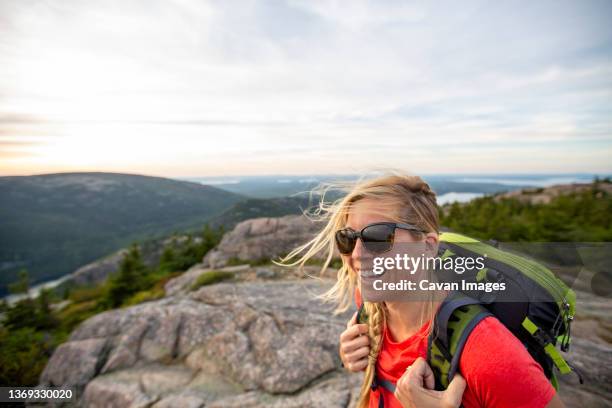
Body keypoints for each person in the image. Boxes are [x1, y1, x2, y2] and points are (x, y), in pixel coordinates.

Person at [281, 173, 564, 408]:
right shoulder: (370, 306)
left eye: (378, 236)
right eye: (348, 238)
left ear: (428, 245)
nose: (357, 254)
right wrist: (352, 355)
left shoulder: (487, 351)